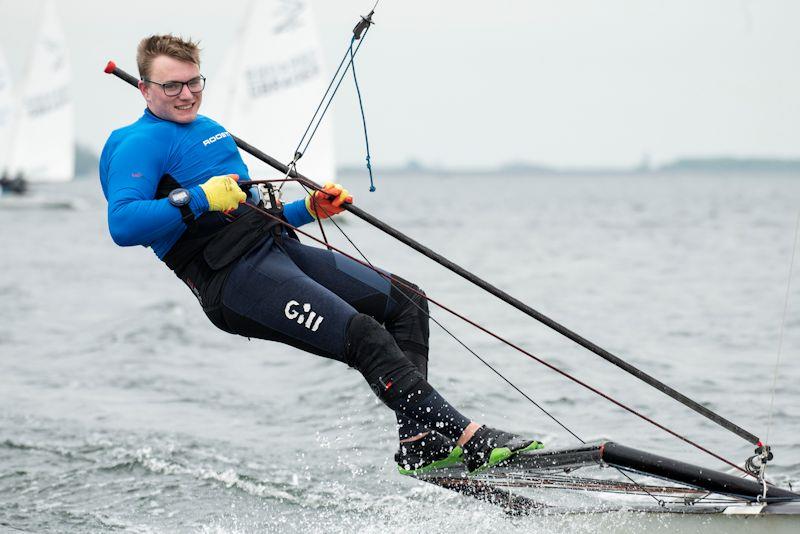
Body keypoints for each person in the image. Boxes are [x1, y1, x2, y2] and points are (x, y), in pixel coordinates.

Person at [99, 34, 543, 475]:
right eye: (172, 86)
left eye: (194, 82)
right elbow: (122, 224)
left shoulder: (208, 129)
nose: (186, 94)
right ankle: (469, 438)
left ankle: (420, 440)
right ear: (144, 89)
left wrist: (309, 209)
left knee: (407, 303)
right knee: (364, 336)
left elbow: (254, 212)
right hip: (232, 279)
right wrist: (198, 197)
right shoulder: (136, 143)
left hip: (274, 248)